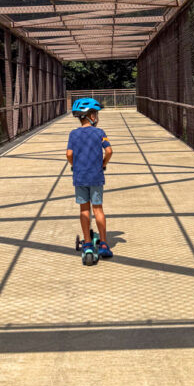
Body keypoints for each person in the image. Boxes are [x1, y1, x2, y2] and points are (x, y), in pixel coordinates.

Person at [66, 97, 113, 263]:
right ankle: (104, 244)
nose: (97, 117)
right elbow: (109, 151)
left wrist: (75, 165)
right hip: (96, 176)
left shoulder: (73, 134)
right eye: (96, 114)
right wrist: (103, 164)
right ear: (91, 116)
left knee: (84, 210)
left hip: (80, 177)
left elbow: (69, 154)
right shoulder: (100, 133)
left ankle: (87, 243)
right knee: (98, 209)